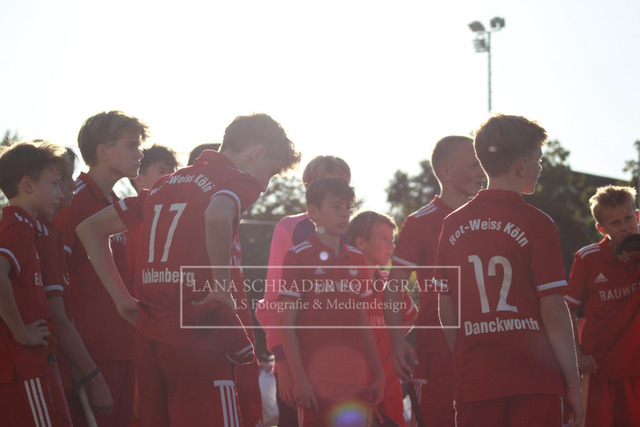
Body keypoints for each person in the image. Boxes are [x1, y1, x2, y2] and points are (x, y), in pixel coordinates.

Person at [76, 113, 300, 426]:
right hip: (201, 339)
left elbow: (89, 229)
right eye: (271, 174)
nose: (264, 187)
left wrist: (121, 299)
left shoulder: (167, 183)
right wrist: (220, 289)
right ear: (257, 154)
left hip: (152, 339)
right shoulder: (235, 181)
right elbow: (217, 215)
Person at [436, 114, 584, 426]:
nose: (540, 168)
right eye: (538, 160)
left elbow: (446, 308)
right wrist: (573, 384)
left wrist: (464, 359)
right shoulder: (538, 223)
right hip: (535, 381)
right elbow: (553, 310)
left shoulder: (451, 224)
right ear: (521, 165)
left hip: (477, 379)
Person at [54, 110, 148, 426]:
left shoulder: (117, 204)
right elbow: (55, 281)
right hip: (91, 355)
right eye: (131, 146)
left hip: (125, 348)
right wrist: (82, 364)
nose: (139, 154)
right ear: (102, 151)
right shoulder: (72, 199)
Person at [383, 135, 484, 426]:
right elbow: (394, 287)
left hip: (485, 346)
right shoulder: (420, 221)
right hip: (437, 351)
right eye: (474, 165)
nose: (482, 172)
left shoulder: (489, 218)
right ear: (446, 172)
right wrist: (396, 340)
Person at [279, 177, 385, 426]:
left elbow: (363, 322)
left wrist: (378, 373)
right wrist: (299, 378)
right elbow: (286, 324)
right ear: (313, 212)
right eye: (336, 206)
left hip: (356, 379)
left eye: (348, 207)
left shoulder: (358, 258)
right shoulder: (297, 256)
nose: (345, 213)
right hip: (315, 380)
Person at [256, 155, 351, 426]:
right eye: (326, 183)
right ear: (309, 188)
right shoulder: (291, 228)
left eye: (342, 184)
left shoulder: (357, 229)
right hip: (299, 363)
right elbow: (273, 300)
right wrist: (283, 362)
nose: (335, 191)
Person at [35, 146, 114, 418]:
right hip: (46, 366)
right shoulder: (35, 234)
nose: (70, 186)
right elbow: (57, 318)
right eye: (60, 180)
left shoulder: (52, 234)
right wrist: (92, 374)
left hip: (66, 363)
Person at [0, 140, 72, 426]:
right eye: (54, 184)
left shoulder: (26, 226)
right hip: (23, 364)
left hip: (29, 365)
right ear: (27, 184)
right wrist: (22, 332)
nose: (60, 193)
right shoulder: (17, 224)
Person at [564, 185, 640, 426]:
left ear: (637, 216)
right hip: (598, 368)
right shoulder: (587, 258)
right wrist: (579, 355)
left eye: (628, 218)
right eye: (615, 223)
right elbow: (568, 309)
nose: (625, 226)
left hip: (636, 369)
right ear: (601, 228)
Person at [345, 210, 417, 427]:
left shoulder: (389, 281)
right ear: (361, 242)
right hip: (353, 386)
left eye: (392, 240)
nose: (391, 246)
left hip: (389, 384)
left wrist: (393, 339)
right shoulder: (342, 283)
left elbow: (410, 316)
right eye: (384, 239)